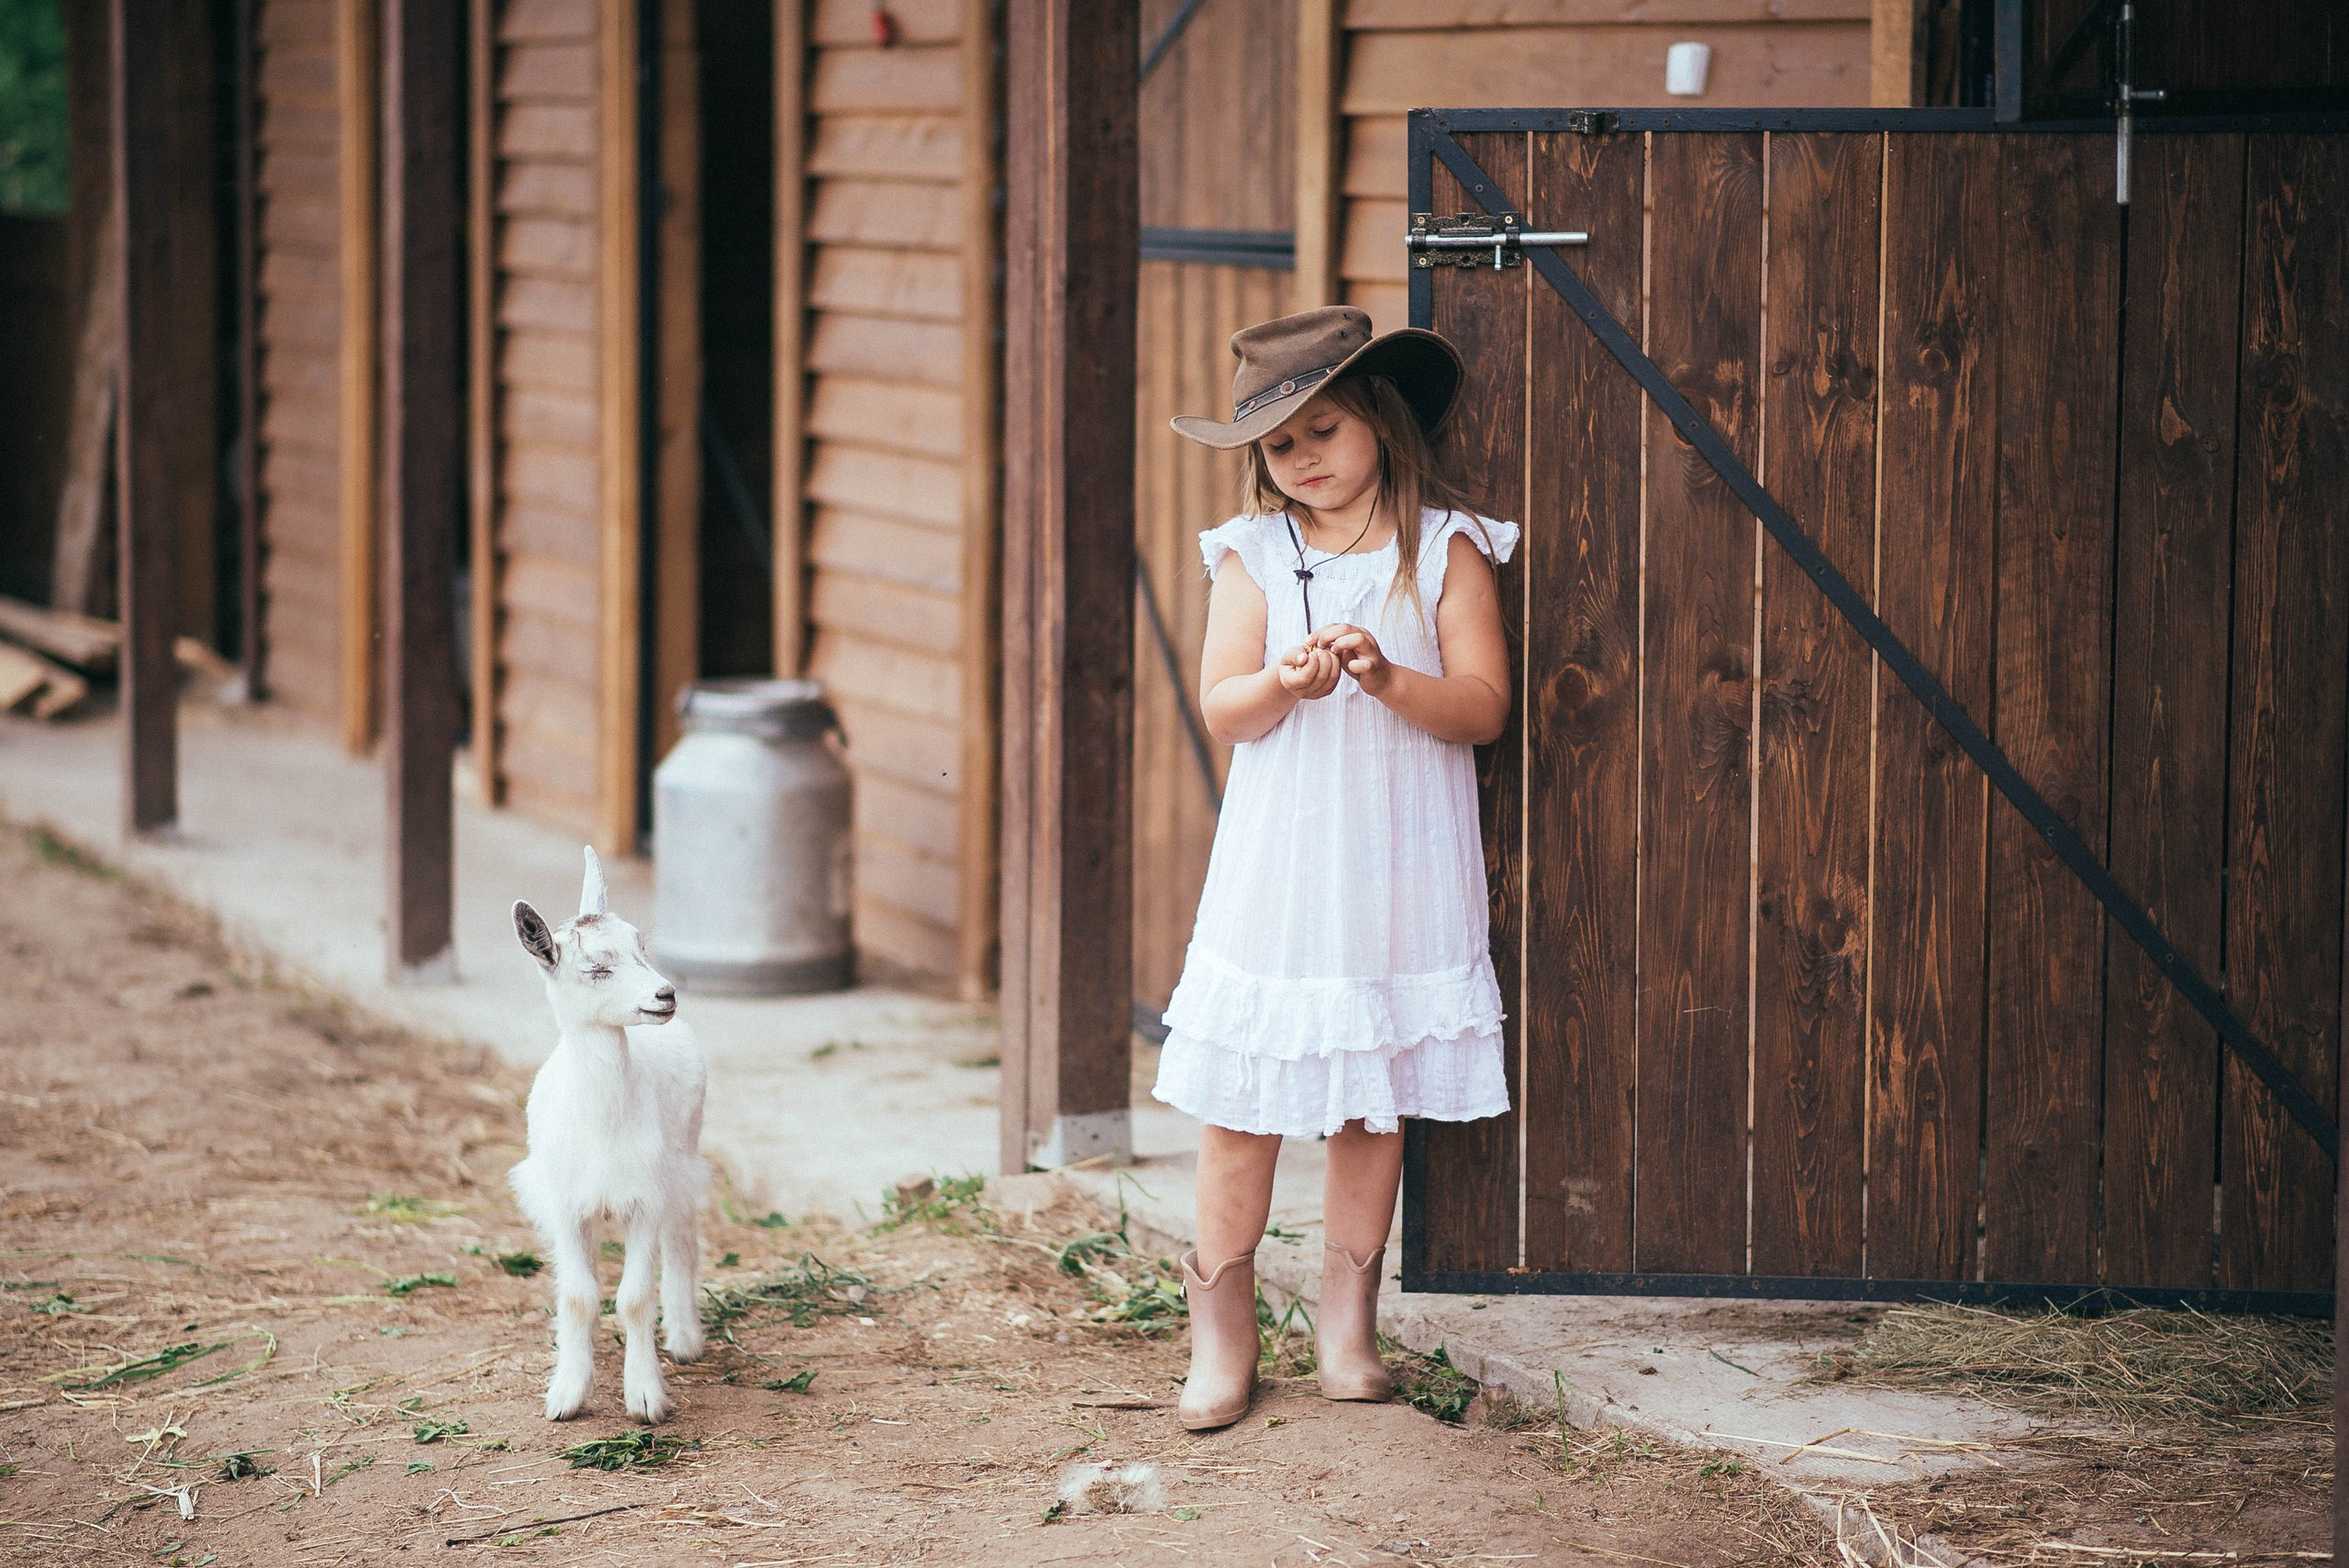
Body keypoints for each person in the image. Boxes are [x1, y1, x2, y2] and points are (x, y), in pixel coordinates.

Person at [1154, 305, 1516, 1431]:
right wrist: (1288, 685)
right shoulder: (1252, 555)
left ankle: (1345, 1323)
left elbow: (1483, 706)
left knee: (1373, 1102)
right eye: (1280, 445)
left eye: (1325, 430)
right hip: (1283, 858)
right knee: (1241, 1102)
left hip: (1399, 857)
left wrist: (1386, 676)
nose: (1304, 460)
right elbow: (1225, 706)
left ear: (1381, 423)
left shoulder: (1446, 547)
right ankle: (1221, 1330)